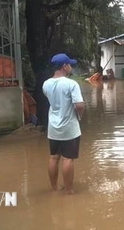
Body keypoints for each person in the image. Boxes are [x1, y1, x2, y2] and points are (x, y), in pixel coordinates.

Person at [42, 53, 85, 195]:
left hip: (53, 128)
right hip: (69, 128)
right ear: (64, 66)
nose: (71, 67)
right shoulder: (71, 84)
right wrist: (80, 116)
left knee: (54, 157)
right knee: (68, 159)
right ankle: (69, 190)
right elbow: (79, 105)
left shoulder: (46, 84)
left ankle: (54, 188)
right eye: (70, 65)